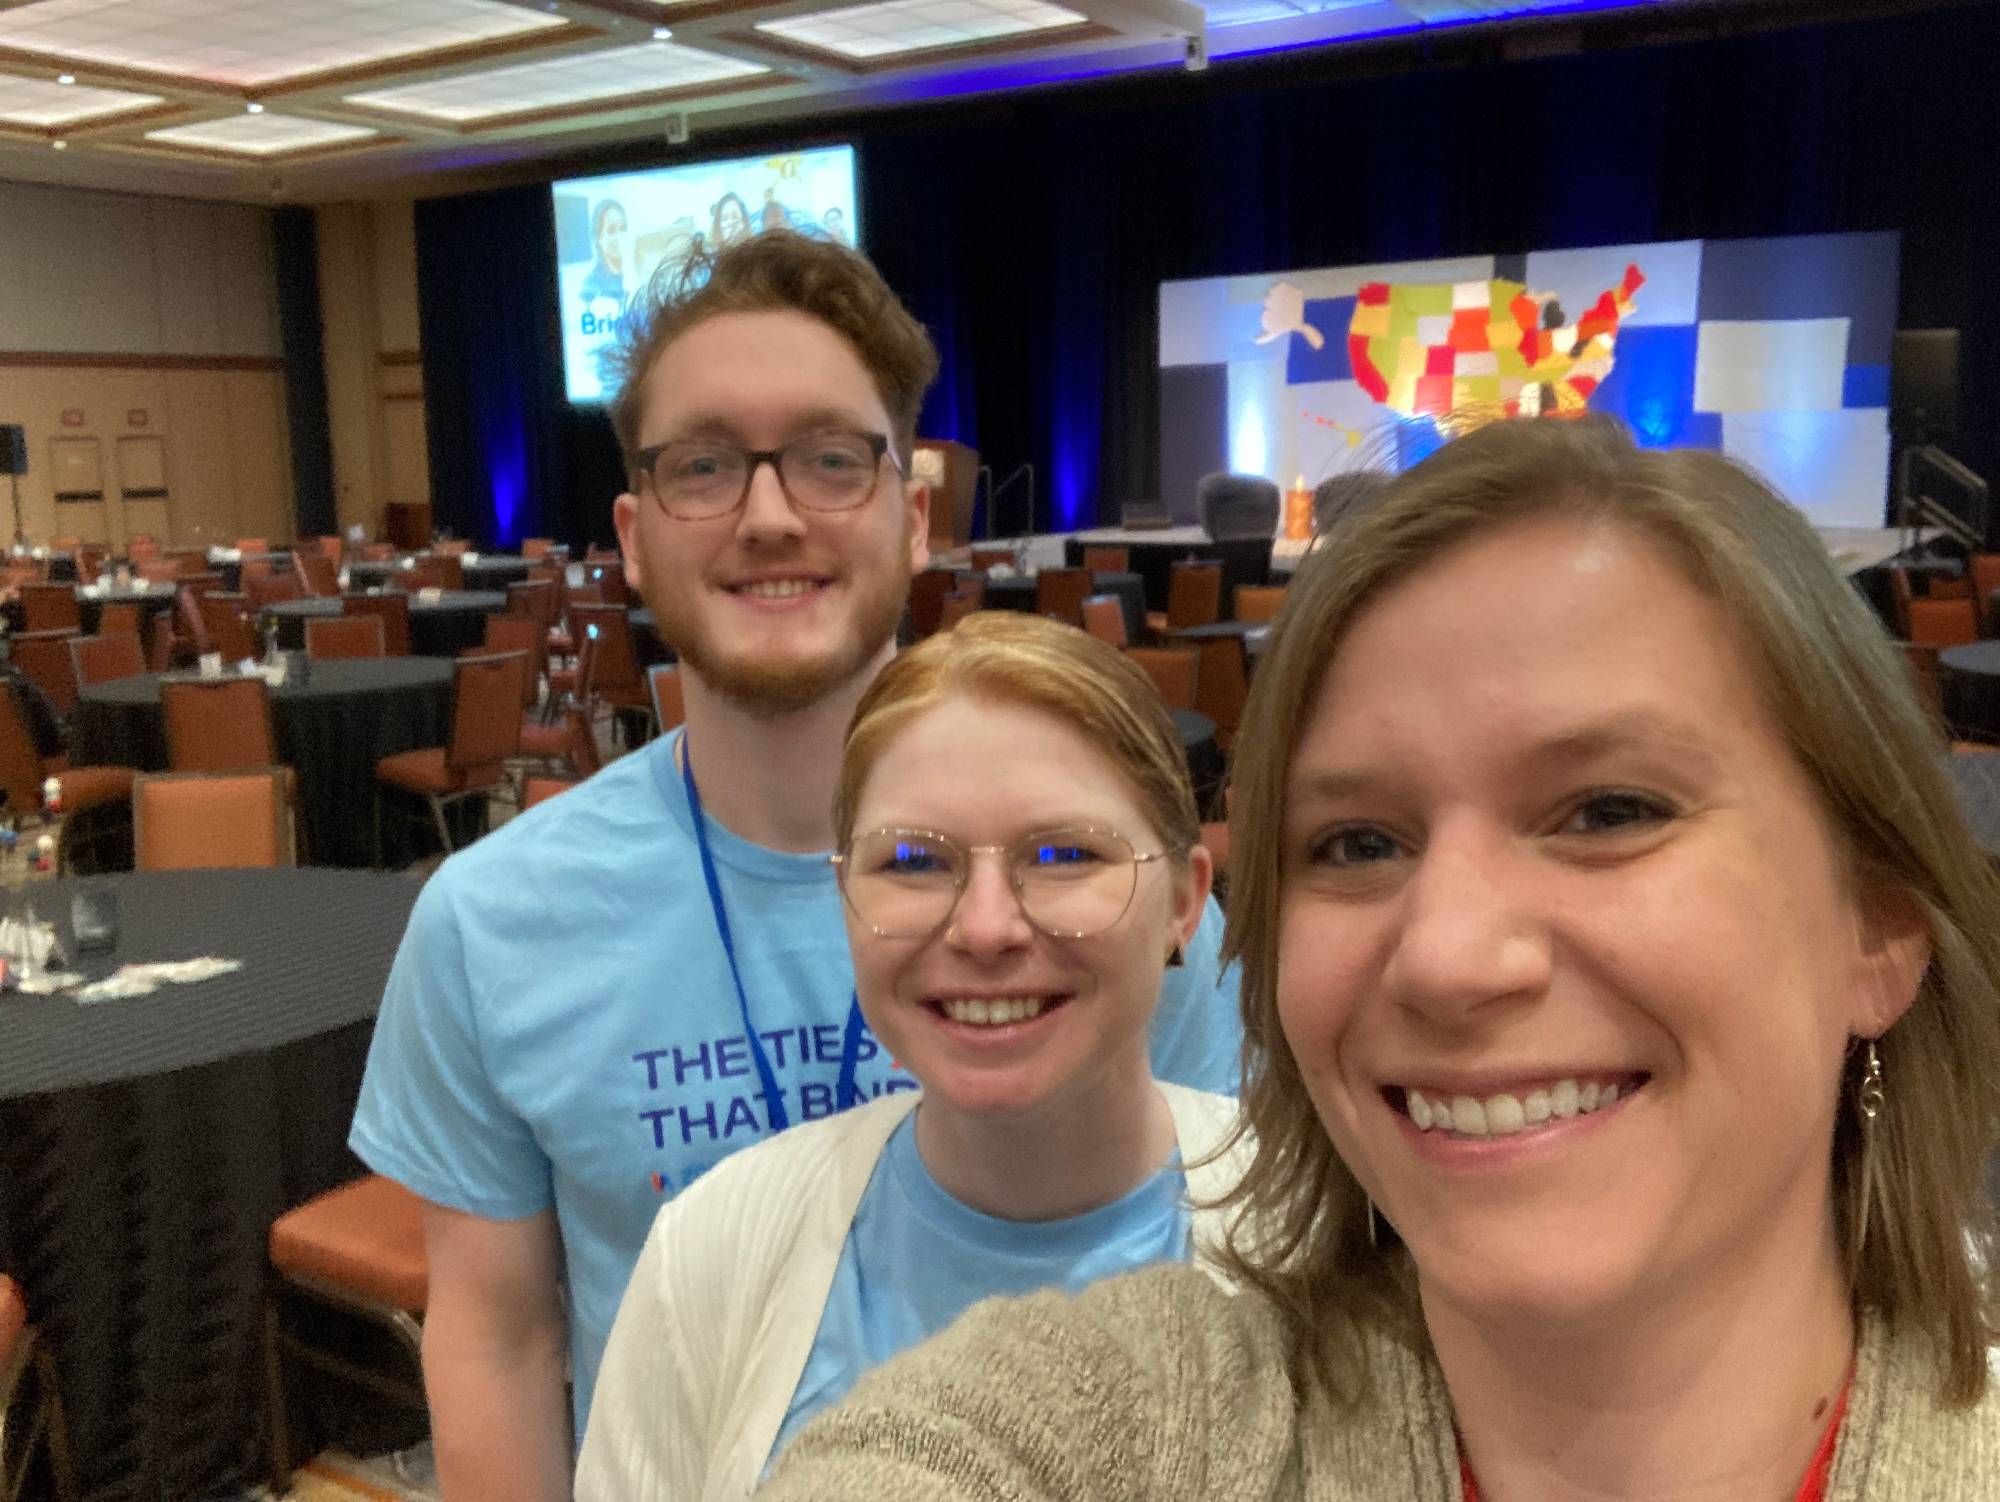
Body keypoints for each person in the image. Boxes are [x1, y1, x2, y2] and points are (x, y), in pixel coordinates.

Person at [760, 415, 2000, 1500]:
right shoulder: (1130, 1426)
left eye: (1607, 810)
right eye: (1355, 840)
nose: (1448, 956)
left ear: (1877, 926)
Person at [348, 231, 1243, 1501]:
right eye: (703, 464)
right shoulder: (491, 920)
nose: (769, 516)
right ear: (636, 536)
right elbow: (499, 1338)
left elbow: (1225, 1246)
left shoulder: (1110, 900)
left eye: (830, 457)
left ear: (912, 513)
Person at [575, 612, 1250, 1500]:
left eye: (1062, 854)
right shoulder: (708, 1255)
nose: (984, 929)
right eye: (912, 864)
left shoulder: (1327, 1246)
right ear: (843, 895)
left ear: (1184, 902)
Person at [581, 198, 629, 308]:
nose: (619, 237)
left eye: (623, 229)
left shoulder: (638, 275)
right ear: (598, 237)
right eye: (611, 230)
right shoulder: (591, 285)